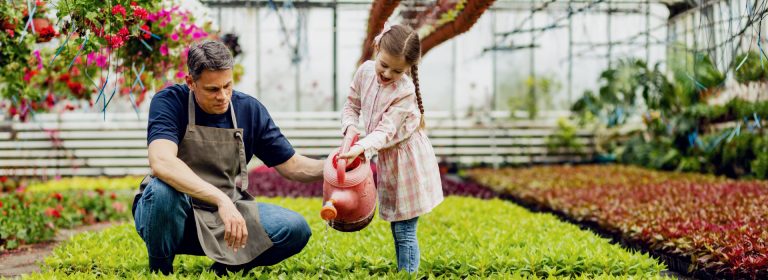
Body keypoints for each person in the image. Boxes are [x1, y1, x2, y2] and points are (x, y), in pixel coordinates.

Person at [131, 40, 324, 276]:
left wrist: (335, 166)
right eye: (212, 89)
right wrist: (221, 200)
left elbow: (293, 165)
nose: (223, 96)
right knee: (162, 191)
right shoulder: (170, 101)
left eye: (228, 86)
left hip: (225, 217)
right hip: (176, 217)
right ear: (191, 82)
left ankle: (224, 269)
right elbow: (161, 162)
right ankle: (160, 269)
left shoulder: (249, 110)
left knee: (295, 228)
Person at [338, 23, 444, 273]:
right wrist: (351, 129)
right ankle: (405, 272)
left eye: (396, 71)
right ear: (377, 48)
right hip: (388, 156)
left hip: (408, 160)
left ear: (408, 68)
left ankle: (408, 275)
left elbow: (386, 131)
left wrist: (362, 147)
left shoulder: (405, 91)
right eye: (383, 65)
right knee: (398, 227)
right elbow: (351, 106)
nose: (386, 74)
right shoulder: (364, 72)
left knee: (405, 229)